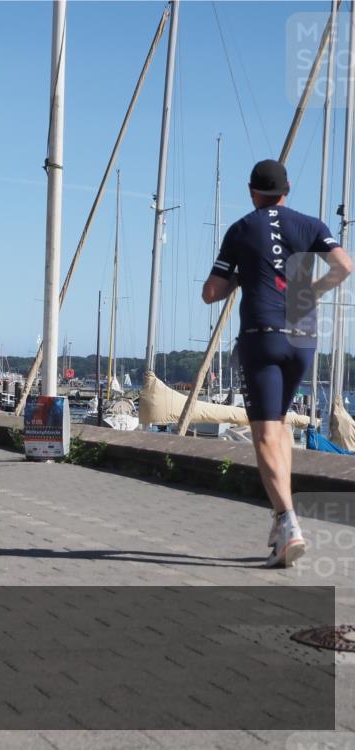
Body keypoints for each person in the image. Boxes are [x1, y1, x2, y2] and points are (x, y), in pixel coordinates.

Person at [202, 159, 351, 567]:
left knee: (265, 434)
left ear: (252, 191)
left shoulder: (241, 229)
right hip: (303, 340)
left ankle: (289, 522)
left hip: (262, 338)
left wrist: (238, 277)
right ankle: (279, 519)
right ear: (286, 191)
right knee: (281, 425)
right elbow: (345, 266)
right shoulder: (310, 224)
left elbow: (211, 292)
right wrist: (311, 294)